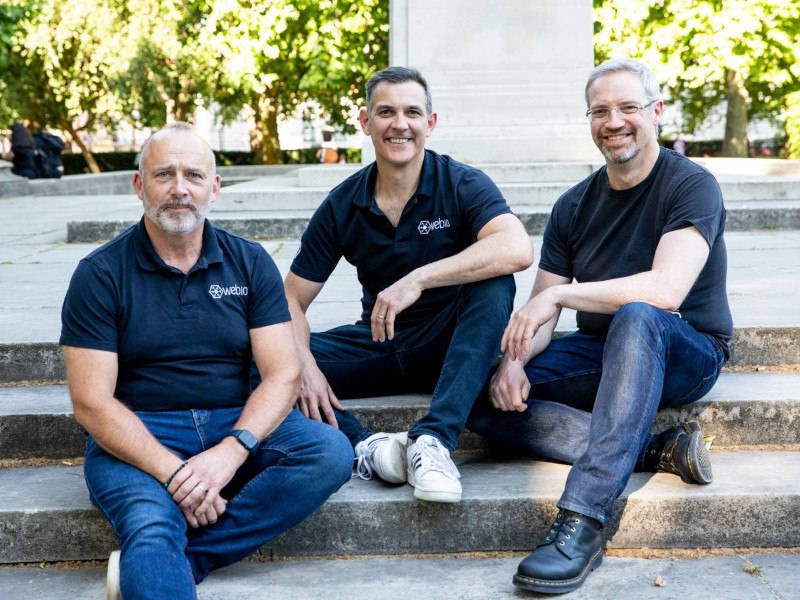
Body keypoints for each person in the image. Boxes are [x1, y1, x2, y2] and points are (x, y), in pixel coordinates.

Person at [467, 58, 732, 594]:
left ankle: (584, 520)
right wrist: (514, 362)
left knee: (639, 314)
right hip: (602, 350)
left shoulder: (691, 186)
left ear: (656, 112)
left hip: (687, 349)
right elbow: (542, 312)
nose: (614, 121)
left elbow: (664, 292)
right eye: (601, 111)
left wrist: (564, 294)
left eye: (629, 107)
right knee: (478, 393)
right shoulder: (573, 205)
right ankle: (656, 448)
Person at [60, 122, 353, 600]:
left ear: (214, 188)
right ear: (140, 185)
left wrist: (232, 451)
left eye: (194, 176)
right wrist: (175, 474)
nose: (180, 189)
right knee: (152, 527)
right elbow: (91, 402)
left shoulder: (250, 262)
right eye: (164, 175)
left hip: (233, 419)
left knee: (330, 452)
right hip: (139, 433)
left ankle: (181, 558)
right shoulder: (99, 273)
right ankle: (160, 551)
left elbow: (283, 374)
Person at [284, 66, 533, 504]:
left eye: (412, 112)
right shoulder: (343, 203)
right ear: (366, 123)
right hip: (379, 344)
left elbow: (516, 247)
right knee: (258, 358)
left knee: (495, 283)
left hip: (450, 344)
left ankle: (434, 441)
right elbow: (290, 299)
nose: (400, 124)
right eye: (386, 112)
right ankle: (369, 448)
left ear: (430, 124)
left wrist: (419, 279)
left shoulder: (460, 182)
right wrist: (302, 362)